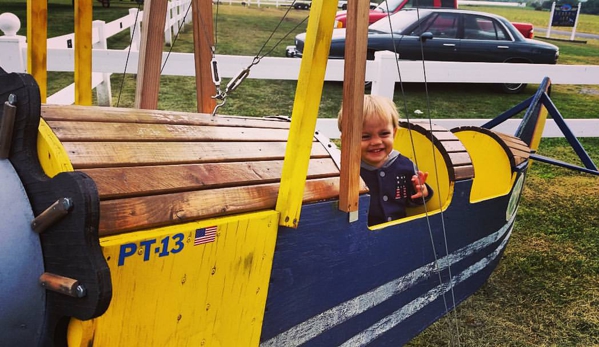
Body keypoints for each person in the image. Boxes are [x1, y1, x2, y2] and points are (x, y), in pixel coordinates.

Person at [337, 95, 433, 225]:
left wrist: (422, 192)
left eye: (384, 134)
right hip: (360, 238)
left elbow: (411, 202)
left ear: (394, 133)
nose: (376, 142)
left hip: (398, 234)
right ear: (347, 139)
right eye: (365, 136)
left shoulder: (405, 166)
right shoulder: (345, 169)